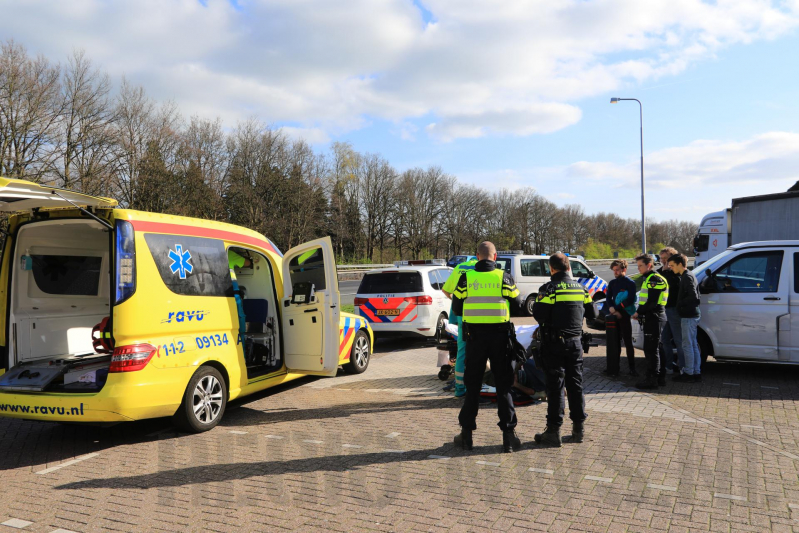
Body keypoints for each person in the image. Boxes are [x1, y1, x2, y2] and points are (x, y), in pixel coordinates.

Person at [451, 241, 523, 453]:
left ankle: (466, 436)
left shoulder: (467, 277)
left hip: (474, 338)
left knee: (472, 385)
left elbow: (456, 307)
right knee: (503, 386)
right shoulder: (504, 277)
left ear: (477, 256)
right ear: (495, 256)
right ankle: (508, 438)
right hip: (500, 338)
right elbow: (518, 305)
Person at [532, 252, 595, 447]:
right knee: (576, 386)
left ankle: (553, 432)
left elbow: (539, 315)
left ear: (552, 269)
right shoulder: (582, 289)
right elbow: (592, 313)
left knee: (555, 387)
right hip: (576, 344)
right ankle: (579, 431)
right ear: (569, 267)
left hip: (554, 344)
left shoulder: (549, 289)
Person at [442, 254, 479, 397]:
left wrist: (456, 302)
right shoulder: (482, 269)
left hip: (462, 316)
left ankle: (459, 388)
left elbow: (446, 290)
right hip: (480, 316)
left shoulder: (459, 268)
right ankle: (479, 386)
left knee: (462, 352)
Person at [631, 254, 669, 390]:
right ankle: (660, 377)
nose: (638, 268)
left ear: (649, 265)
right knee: (657, 348)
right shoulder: (650, 278)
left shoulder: (655, 279)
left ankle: (652, 379)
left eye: (640, 265)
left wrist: (638, 312)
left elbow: (652, 302)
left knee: (651, 349)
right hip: (654, 317)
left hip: (654, 317)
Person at [669, 254, 702, 382]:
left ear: (679, 264)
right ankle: (696, 371)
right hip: (693, 314)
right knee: (693, 344)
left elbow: (693, 297)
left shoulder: (686, 277)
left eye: (672, 265)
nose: (671, 268)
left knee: (687, 345)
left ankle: (689, 373)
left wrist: (680, 305)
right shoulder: (689, 274)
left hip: (688, 315)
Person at [603, 259, 638, 377]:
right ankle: (614, 367)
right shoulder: (612, 283)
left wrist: (616, 309)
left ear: (624, 269)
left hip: (625, 315)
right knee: (614, 342)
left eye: (617, 270)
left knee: (628, 342)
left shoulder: (630, 283)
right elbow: (608, 298)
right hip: (615, 315)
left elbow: (630, 300)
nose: (615, 272)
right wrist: (612, 308)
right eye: (614, 270)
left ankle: (632, 368)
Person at [657, 247, 684, 376]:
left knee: (679, 339)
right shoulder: (661, 271)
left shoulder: (676, 273)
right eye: (661, 258)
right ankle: (668, 366)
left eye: (665, 259)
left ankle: (683, 367)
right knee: (664, 339)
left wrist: (666, 272)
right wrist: (663, 271)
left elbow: (672, 285)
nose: (663, 261)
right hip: (663, 309)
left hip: (673, 309)